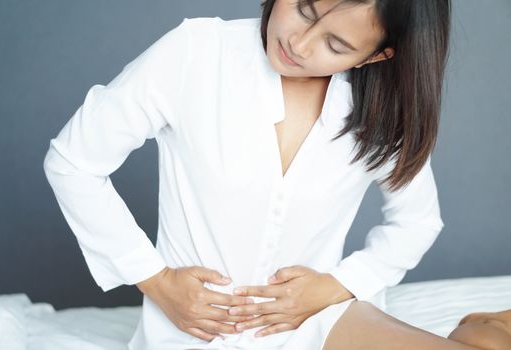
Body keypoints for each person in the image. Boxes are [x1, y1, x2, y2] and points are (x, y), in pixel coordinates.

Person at [42, 0, 511, 349]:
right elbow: (73, 161)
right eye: (304, 9)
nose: (298, 43)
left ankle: (487, 328)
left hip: (315, 322)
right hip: (194, 332)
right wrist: (156, 279)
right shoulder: (197, 53)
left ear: (375, 56)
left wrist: (335, 285)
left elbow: (417, 222)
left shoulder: (380, 112)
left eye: (336, 44)